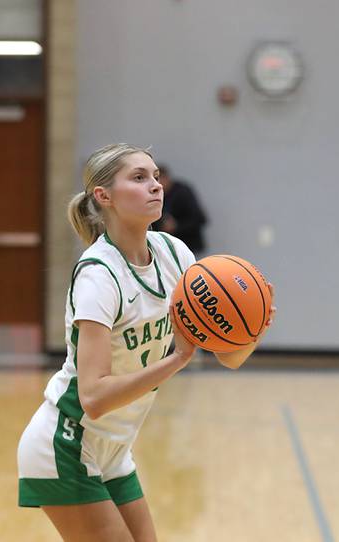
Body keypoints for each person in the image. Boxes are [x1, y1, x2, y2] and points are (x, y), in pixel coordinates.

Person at [17, 144, 272, 541]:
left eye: (155, 177)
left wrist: (251, 330)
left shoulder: (175, 253)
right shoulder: (99, 276)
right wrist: (176, 360)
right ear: (104, 196)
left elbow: (229, 358)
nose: (155, 186)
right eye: (139, 178)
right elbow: (94, 397)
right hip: (66, 444)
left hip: (114, 452)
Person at [152, 164, 208, 256]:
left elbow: (200, 218)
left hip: (188, 244)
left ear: (166, 178)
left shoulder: (182, 192)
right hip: (165, 247)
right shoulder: (156, 195)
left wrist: (176, 226)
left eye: (158, 179)